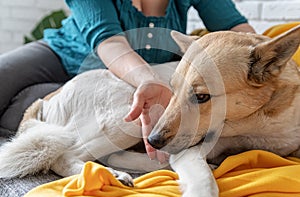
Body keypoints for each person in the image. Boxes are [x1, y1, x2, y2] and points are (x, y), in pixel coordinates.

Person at [0, 0, 255, 163]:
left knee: (19, 113)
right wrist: (149, 80)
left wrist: (269, 56)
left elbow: (238, 29)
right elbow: (108, 40)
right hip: (62, 53)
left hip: (108, 80)